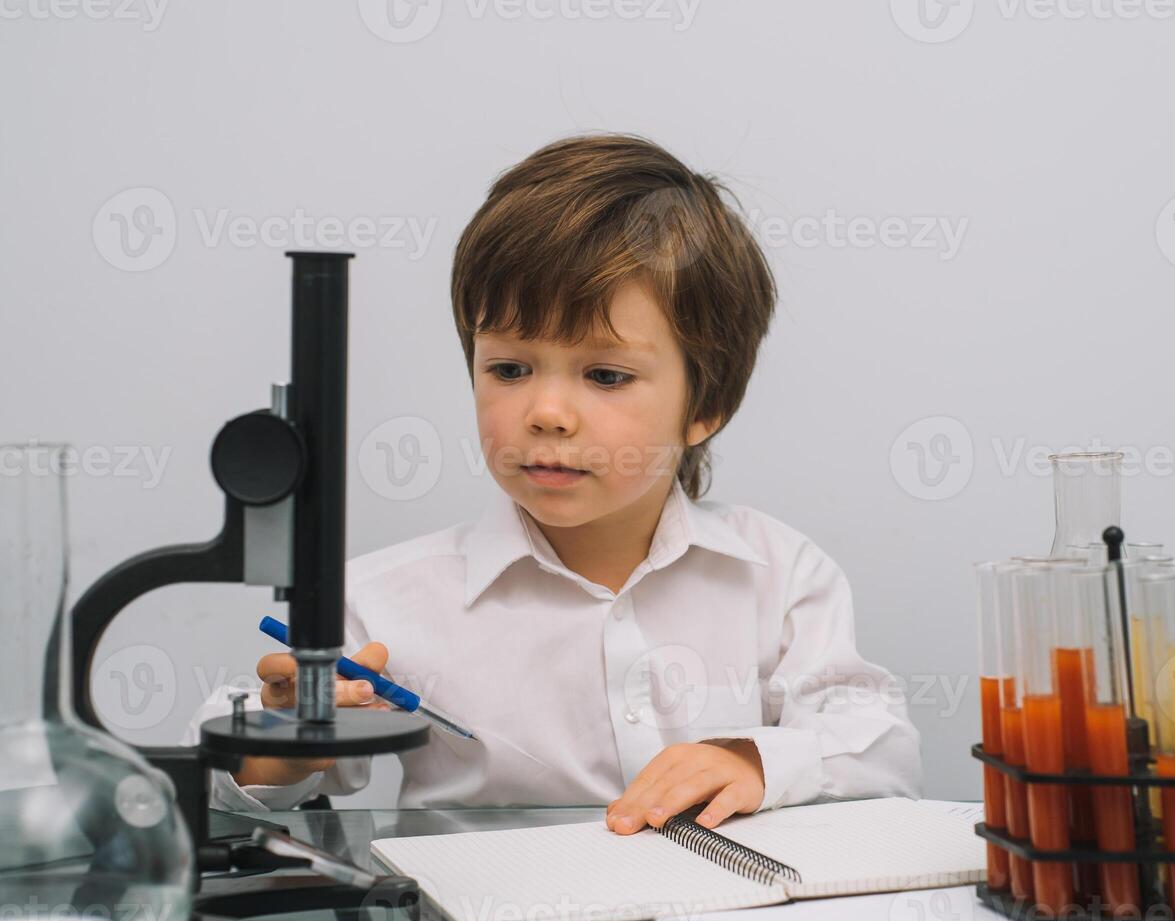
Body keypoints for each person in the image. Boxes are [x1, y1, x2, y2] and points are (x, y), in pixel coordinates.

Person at [187, 134, 921, 834]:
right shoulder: (382, 603)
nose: (546, 413)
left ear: (706, 405)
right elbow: (216, 784)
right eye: (509, 368)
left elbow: (883, 750)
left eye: (606, 375)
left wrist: (755, 760)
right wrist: (276, 749)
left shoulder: (780, 574)